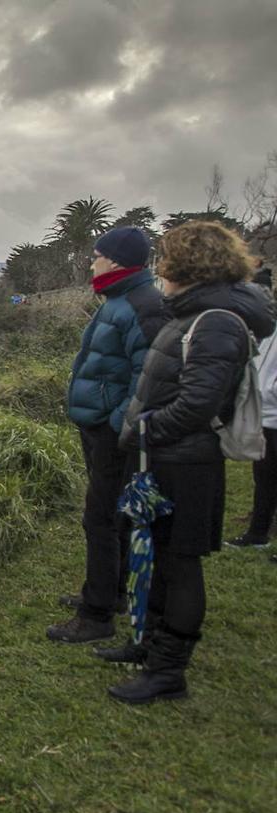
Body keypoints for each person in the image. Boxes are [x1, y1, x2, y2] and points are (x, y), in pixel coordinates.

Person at [100, 221, 276, 704]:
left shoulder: (215, 319)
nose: (160, 267)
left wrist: (146, 430)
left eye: (166, 259)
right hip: (167, 458)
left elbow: (199, 403)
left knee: (180, 564)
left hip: (186, 464)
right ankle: (149, 645)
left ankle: (168, 671)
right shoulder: (196, 312)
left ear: (187, 264)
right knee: (157, 557)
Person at [48, 226, 168, 643]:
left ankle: (96, 615)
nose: (91, 261)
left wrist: (117, 423)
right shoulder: (119, 298)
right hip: (101, 424)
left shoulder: (140, 303)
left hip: (113, 431)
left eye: (96, 255)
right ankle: (110, 593)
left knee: (100, 518)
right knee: (112, 515)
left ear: (115, 262)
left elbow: (149, 375)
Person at [224, 318, 277, 549]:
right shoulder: (271, 328)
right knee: (264, 477)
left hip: (272, 408)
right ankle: (257, 533)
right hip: (265, 414)